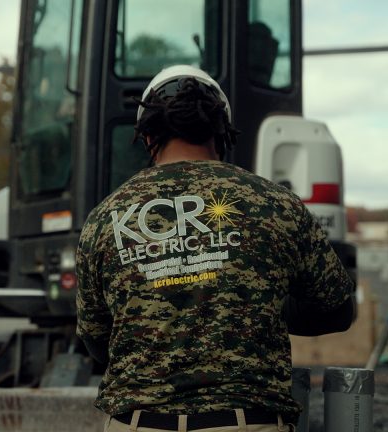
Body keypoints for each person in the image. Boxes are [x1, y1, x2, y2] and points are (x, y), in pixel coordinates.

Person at [76, 65, 356, 432]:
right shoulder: (274, 203)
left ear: (146, 136)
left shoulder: (104, 219)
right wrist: (257, 307)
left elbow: (96, 340)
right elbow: (337, 310)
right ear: (222, 131)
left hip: (139, 422)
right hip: (247, 422)